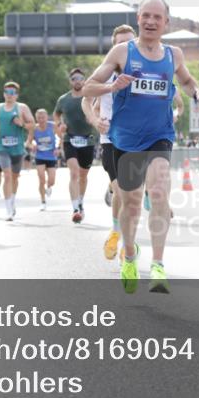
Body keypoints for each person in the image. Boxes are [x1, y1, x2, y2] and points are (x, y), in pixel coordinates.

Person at [83, 0, 199, 294]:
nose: (151, 21)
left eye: (157, 17)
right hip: (126, 138)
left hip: (160, 134)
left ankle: (158, 264)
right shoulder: (121, 52)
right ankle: (130, 256)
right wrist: (111, 87)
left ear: (166, 22)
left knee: (158, 191)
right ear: (138, 19)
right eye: (146, 16)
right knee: (131, 203)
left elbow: (190, 83)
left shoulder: (174, 54)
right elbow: (88, 87)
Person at [83, 24, 137, 259]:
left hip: (138, 140)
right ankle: (122, 239)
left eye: (129, 42)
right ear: (114, 46)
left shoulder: (146, 69)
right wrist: (96, 121)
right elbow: (86, 98)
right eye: (120, 43)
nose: (125, 47)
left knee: (129, 195)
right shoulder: (106, 71)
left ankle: (122, 235)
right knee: (122, 192)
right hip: (111, 140)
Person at [54, 69, 97, 223]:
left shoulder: (90, 97)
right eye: (74, 78)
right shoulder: (63, 99)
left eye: (80, 78)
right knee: (74, 173)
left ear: (84, 80)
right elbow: (56, 115)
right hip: (69, 139)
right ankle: (75, 209)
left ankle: (80, 201)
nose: (77, 81)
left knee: (83, 176)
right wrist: (60, 125)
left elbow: (98, 111)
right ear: (70, 81)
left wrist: (93, 118)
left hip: (87, 140)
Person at [0, 81, 35, 222]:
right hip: (2, 147)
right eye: (7, 92)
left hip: (17, 148)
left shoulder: (22, 108)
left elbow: (32, 125)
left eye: (12, 93)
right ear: (3, 93)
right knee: (7, 175)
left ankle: (12, 200)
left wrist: (21, 124)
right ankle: (8, 209)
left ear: (16, 95)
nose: (9, 95)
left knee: (15, 177)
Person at [29, 109, 58, 211]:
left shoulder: (53, 126)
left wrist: (58, 148)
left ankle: (49, 187)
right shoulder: (34, 128)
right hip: (40, 156)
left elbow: (60, 137)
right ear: (36, 118)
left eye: (43, 117)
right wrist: (33, 144)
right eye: (39, 118)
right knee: (41, 180)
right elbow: (28, 142)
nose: (41, 120)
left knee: (52, 180)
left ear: (47, 117)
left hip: (51, 156)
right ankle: (43, 201)